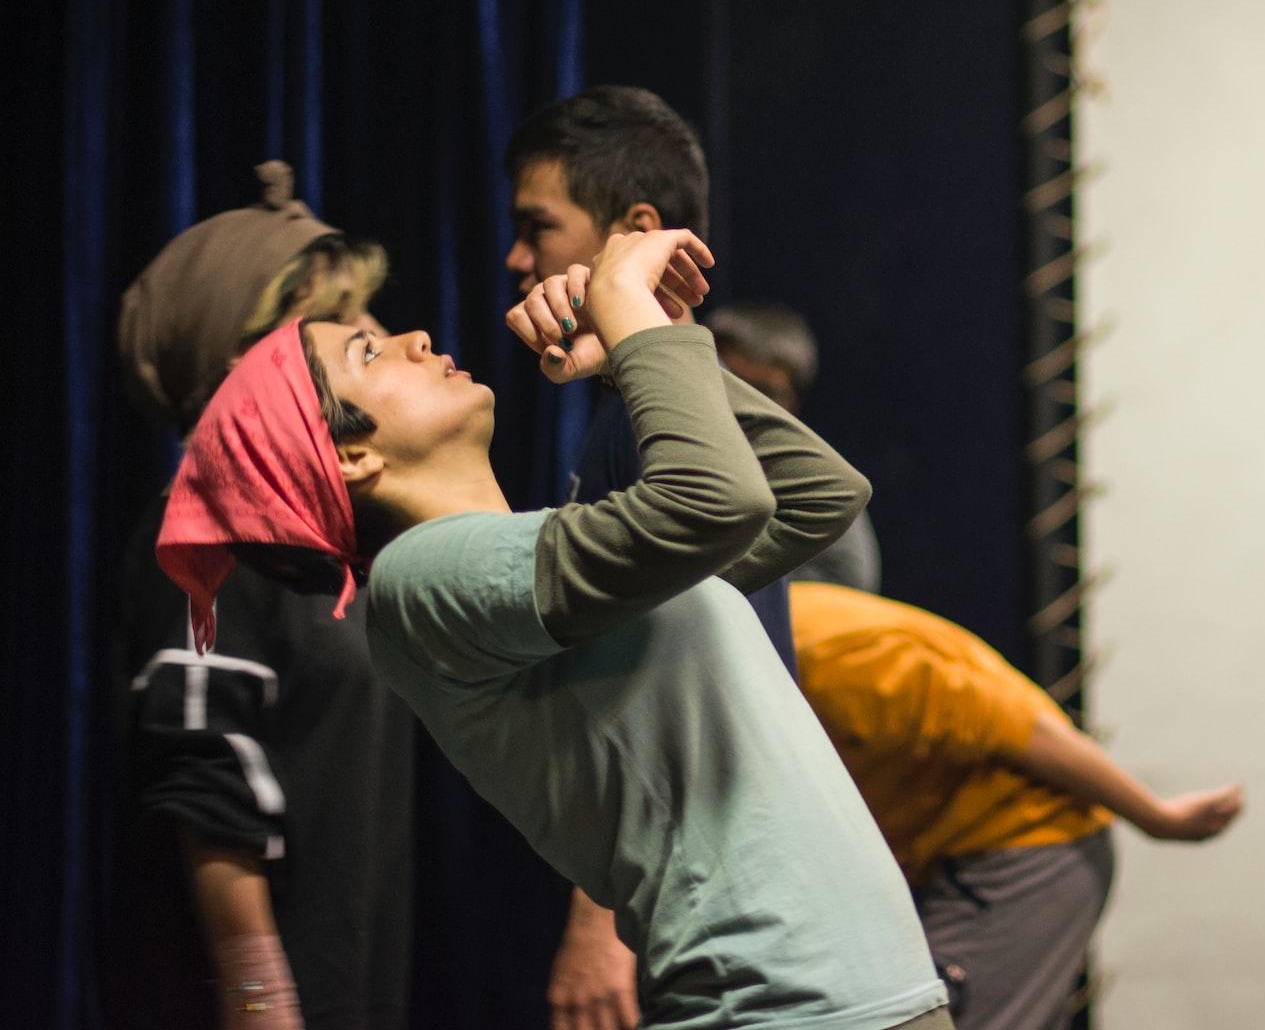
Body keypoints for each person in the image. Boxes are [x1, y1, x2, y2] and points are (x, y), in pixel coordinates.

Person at [157, 228, 952, 1030]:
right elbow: (720, 502)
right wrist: (627, 312)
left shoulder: (546, 563)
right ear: (352, 455)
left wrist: (643, 346)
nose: (414, 338)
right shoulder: (418, 580)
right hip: (781, 1007)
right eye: (368, 353)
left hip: (861, 996)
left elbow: (817, 493)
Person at [502, 86, 808, 1026]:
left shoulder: (655, 423)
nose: (518, 258)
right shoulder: (634, 410)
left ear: (634, 228)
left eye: (538, 226)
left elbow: (656, 681)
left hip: (704, 888)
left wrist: (597, 929)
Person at [109, 161, 413, 1030]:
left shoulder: (321, 542)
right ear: (249, 364)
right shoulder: (203, 526)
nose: (379, 334)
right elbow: (207, 787)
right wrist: (262, 1009)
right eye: (341, 324)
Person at [789, 581, 1244, 1030]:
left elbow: (1029, 732)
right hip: (947, 854)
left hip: (1026, 850)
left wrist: (1158, 818)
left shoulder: (837, 656)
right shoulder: (783, 636)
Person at [708, 301, 883, 593]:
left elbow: (850, 583)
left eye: (764, 392)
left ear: (792, 402)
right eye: (732, 384)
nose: (744, 401)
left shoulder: (804, 469)